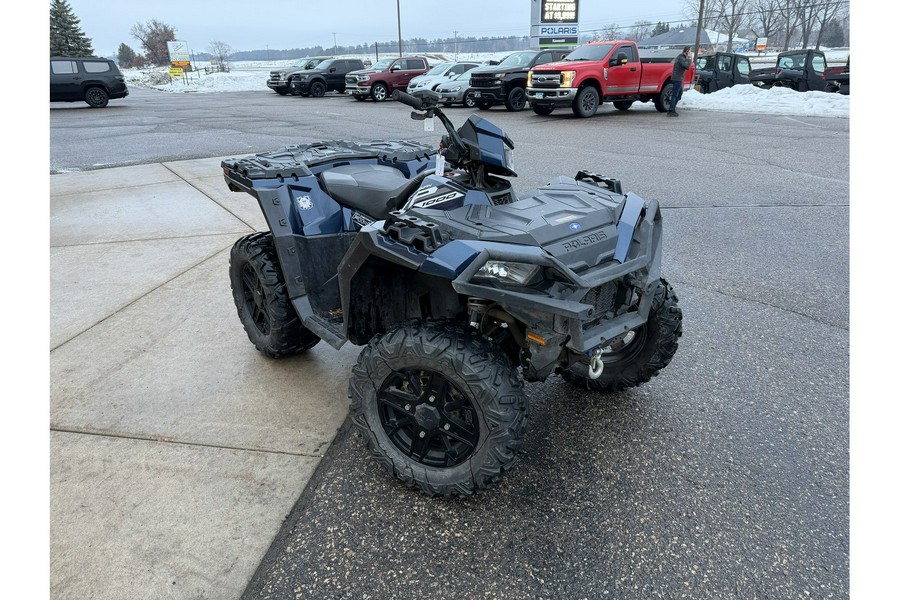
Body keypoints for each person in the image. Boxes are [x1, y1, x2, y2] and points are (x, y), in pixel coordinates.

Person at [668, 46, 692, 117]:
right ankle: (671, 110)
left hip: (678, 78)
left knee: (679, 94)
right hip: (677, 78)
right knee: (675, 95)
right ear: (687, 51)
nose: (690, 52)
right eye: (690, 51)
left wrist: (687, 58)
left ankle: (672, 108)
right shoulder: (681, 58)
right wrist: (689, 58)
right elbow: (687, 66)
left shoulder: (682, 57)